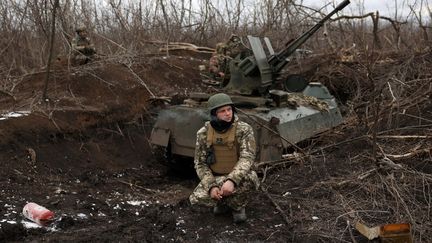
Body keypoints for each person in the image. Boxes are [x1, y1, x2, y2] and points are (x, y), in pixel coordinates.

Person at [189, 93, 259, 223]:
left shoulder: (244, 129)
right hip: (216, 177)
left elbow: (247, 157)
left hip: (240, 176)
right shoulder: (203, 133)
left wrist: (232, 180)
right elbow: (200, 164)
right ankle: (222, 202)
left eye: (229, 109)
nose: (228, 114)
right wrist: (211, 187)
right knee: (196, 198)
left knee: (251, 179)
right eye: (222, 111)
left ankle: (238, 206)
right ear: (214, 114)